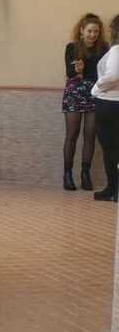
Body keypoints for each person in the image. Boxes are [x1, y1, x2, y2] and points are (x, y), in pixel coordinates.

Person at [62, 13, 108, 191]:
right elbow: (71, 73)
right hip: (74, 92)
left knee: (90, 135)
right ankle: (67, 174)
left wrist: (83, 73)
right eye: (89, 31)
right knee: (71, 135)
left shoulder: (104, 49)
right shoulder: (72, 48)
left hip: (95, 92)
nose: (93, 35)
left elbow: (102, 74)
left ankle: (85, 174)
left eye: (96, 31)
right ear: (82, 31)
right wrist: (77, 71)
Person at [91, 14, 119, 201]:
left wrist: (97, 87)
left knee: (110, 149)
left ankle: (113, 189)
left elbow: (113, 75)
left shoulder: (117, 50)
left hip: (110, 104)